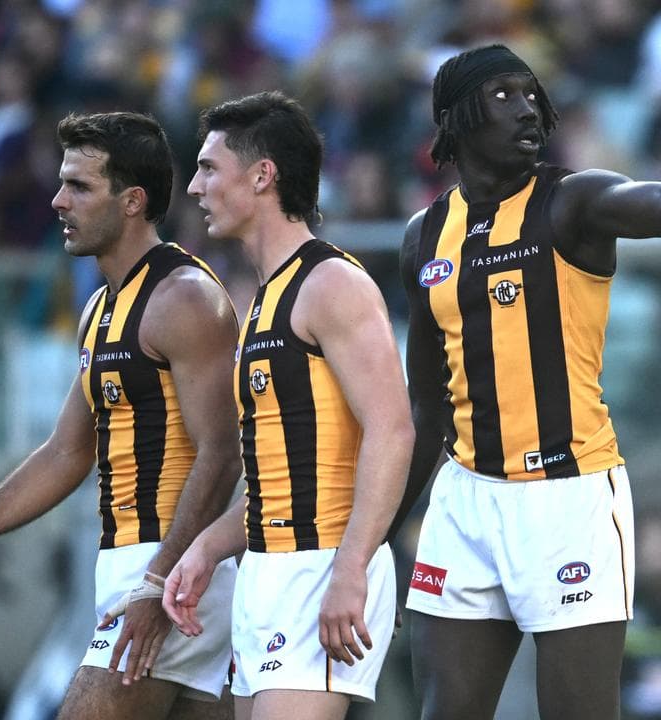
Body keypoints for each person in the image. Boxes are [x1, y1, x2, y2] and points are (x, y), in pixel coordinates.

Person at [394, 31, 661, 720]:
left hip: (569, 499)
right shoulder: (424, 235)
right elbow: (427, 407)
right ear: (454, 120)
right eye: (503, 94)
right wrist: (380, 534)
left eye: (533, 94)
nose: (527, 108)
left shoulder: (574, 201)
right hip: (465, 503)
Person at [0, 112, 242, 718]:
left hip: (166, 570)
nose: (59, 201)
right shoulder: (100, 306)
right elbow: (66, 451)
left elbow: (223, 454)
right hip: (141, 569)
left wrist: (156, 580)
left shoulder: (185, 299)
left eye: (80, 187)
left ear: (133, 201)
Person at [162, 90, 413, 720]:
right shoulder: (263, 300)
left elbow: (394, 430)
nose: (194, 187)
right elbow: (276, 477)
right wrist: (209, 547)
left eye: (209, 168)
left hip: (324, 566)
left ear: (263, 175)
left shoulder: (332, 283)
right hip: (266, 575)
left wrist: (351, 569)